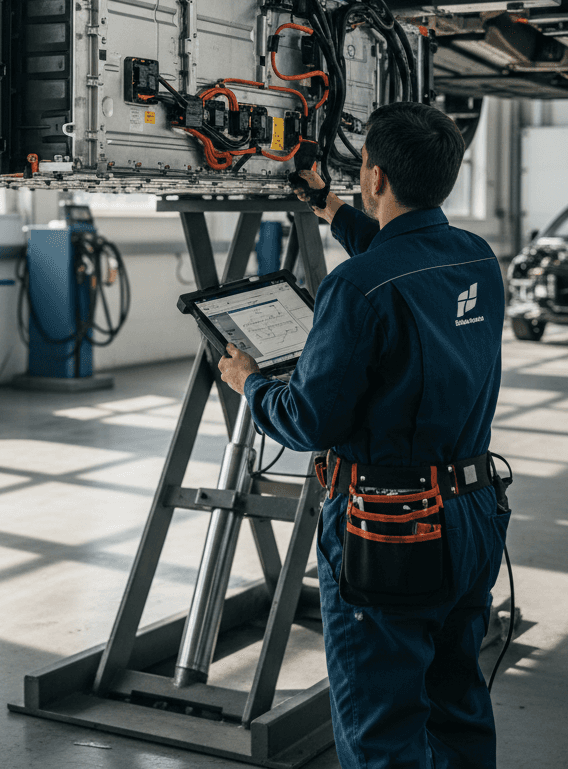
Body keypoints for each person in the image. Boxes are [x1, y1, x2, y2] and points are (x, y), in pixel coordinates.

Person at [218, 102, 509, 769]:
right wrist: (330, 209)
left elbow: (310, 418)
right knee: (457, 705)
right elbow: (403, 264)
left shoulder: (355, 287)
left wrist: (249, 385)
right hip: (474, 515)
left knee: (381, 729)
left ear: (374, 178)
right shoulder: (477, 260)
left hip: (390, 529)